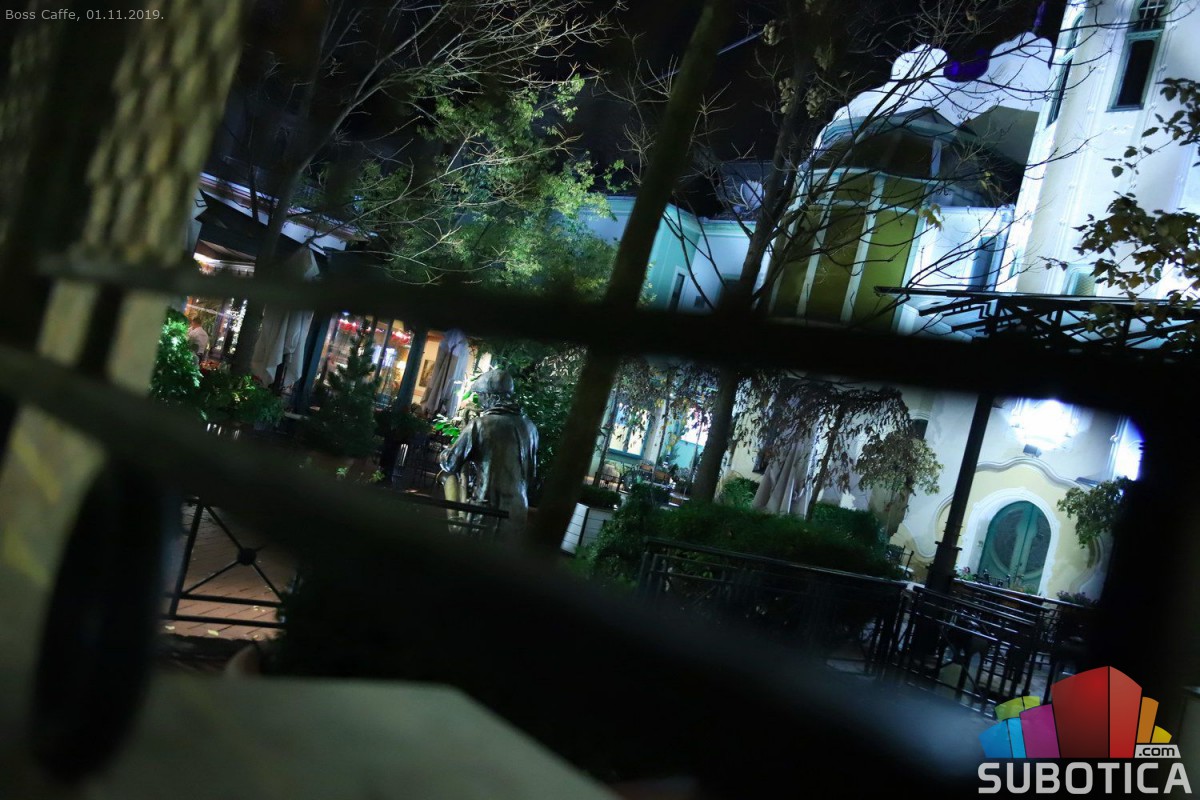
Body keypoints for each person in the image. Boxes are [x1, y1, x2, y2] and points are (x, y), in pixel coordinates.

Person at [439, 369, 538, 534]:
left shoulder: (480, 425)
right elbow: (532, 477)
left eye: (481, 396)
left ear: (492, 397)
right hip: (518, 512)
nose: (479, 402)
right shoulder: (531, 427)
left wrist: (444, 453)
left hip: (486, 514)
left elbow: (450, 463)